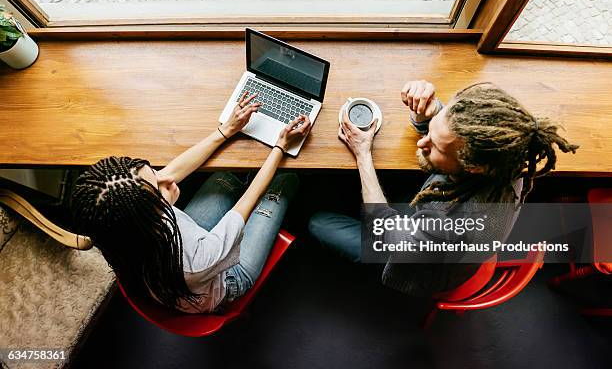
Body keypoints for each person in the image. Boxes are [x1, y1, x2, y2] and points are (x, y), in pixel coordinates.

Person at [309, 80, 579, 296]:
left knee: (318, 222)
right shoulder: (506, 158)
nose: (421, 143)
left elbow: (384, 230)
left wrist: (363, 154)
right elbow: (455, 134)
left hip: (417, 267)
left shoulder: (447, 224)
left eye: (434, 146)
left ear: (473, 166)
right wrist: (425, 112)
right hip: (443, 246)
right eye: (430, 132)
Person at [71, 91, 312, 313]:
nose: (168, 178)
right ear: (150, 219)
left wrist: (226, 130)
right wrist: (280, 146)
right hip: (226, 277)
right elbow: (246, 204)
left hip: (188, 249)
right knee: (284, 182)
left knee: (227, 172)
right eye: (159, 187)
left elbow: (173, 171)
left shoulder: (125, 229)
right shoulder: (195, 263)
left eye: (154, 172)